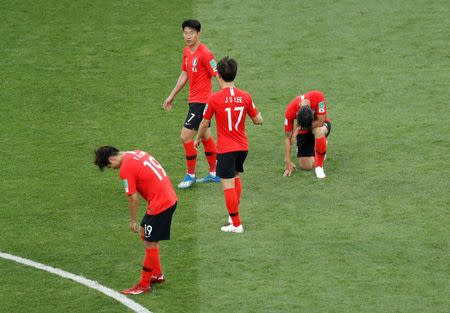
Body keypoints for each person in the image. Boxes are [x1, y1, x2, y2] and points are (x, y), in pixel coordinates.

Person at [94, 146, 177, 295]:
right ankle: (157, 275)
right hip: (165, 197)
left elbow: (134, 198)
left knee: (151, 243)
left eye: (109, 166)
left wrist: (132, 220)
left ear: (111, 158)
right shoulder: (136, 153)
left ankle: (144, 285)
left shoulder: (125, 169)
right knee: (144, 233)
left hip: (161, 203)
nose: (111, 168)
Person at [194, 57, 263, 233]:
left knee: (227, 185)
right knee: (236, 177)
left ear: (218, 76)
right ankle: (233, 218)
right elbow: (257, 120)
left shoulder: (214, 98)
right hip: (242, 147)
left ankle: (237, 224)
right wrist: (258, 115)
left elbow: (203, 123)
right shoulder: (246, 96)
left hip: (226, 149)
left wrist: (198, 138)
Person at [163, 19, 219, 189]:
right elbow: (184, 75)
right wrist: (171, 95)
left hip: (202, 103)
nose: (188, 36)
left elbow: (217, 74)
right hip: (194, 101)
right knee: (206, 136)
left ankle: (191, 175)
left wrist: (228, 94)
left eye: (191, 33)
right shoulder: (187, 51)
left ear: (198, 34)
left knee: (185, 137)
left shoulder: (205, 53)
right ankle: (215, 173)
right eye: (185, 32)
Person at [283, 90, 331, 178]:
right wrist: (287, 161)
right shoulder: (290, 110)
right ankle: (319, 148)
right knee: (306, 166)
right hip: (303, 131)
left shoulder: (318, 97)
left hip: (319, 125)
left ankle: (319, 167)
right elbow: (287, 137)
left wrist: (299, 128)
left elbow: (321, 121)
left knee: (319, 131)